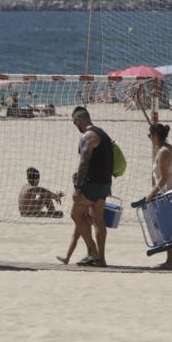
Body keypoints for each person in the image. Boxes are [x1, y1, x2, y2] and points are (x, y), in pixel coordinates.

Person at [59, 106, 112, 268]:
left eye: (75, 122)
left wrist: (78, 187)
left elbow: (84, 162)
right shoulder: (103, 134)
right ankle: (101, 259)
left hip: (92, 184)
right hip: (105, 183)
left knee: (75, 214)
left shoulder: (87, 136)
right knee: (99, 221)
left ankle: (93, 251)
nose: (75, 126)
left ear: (80, 119)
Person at [140, 123, 172, 270]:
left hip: (168, 193)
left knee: (167, 227)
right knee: (169, 227)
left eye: (150, 136)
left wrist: (151, 194)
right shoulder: (170, 148)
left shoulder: (163, 152)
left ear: (156, 136)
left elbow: (163, 178)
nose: (150, 138)